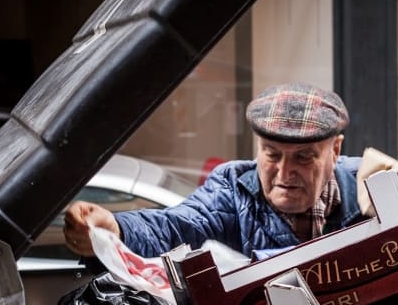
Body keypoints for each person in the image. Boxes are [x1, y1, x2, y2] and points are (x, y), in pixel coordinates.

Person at [63, 81, 365, 258]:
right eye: (272, 155)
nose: (284, 174)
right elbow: (174, 226)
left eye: (303, 157)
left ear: (335, 150)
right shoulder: (232, 190)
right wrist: (116, 231)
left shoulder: (370, 185)